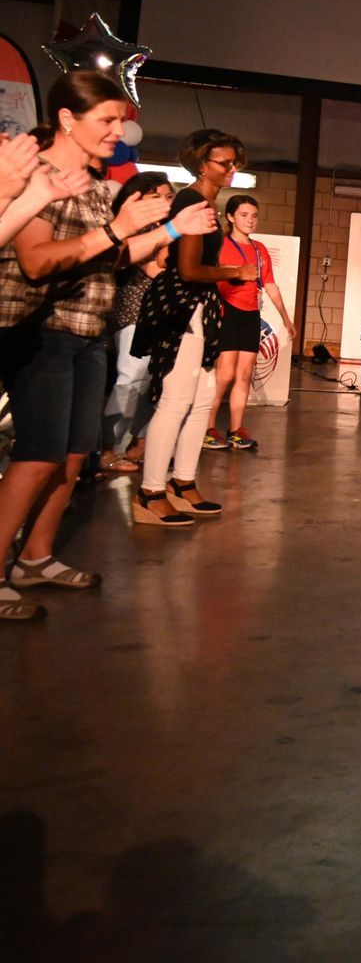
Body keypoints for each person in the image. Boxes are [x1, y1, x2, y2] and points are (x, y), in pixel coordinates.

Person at [0, 71, 214, 621]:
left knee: (73, 456)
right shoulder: (33, 175)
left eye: (121, 119)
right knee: (36, 455)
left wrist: (168, 231)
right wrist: (118, 231)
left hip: (90, 331)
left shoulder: (95, 185)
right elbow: (37, 262)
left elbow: (109, 256)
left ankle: (36, 556)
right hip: (45, 331)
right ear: (67, 119)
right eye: (108, 120)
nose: (121, 130)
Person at [133, 129, 251, 526]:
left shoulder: (205, 203)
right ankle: (151, 491)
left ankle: (182, 483)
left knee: (202, 398)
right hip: (184, 308)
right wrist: (235, 270)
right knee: (177, 398)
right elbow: (187, 270)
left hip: (201, 307)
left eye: (235, 162)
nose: (232, 169)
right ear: (202, 164)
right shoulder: (192, 201)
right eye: (225, 163)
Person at [204, 195, 298, 451]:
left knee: (244, 374)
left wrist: (286, 319)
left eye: (254, 215)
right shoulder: (221, 246)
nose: (250, 220)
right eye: (244, 215)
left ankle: (235, 429)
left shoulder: (259, 249)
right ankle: (207, 428)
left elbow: (270, 285)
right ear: (231, 217)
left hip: (250, 314)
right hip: (228, 312)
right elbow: (209, 279)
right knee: (224, 374)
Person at [99, 173, 174, 474]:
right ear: (143, 195)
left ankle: (136, 444)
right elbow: (156, 268)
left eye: (170, 196)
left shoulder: (162, 229)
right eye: (163, 195)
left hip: (158, 312)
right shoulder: (136, 226)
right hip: (133, 309)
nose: (169, 201)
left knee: (147, 381)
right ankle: (107, 450)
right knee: (130, 377)